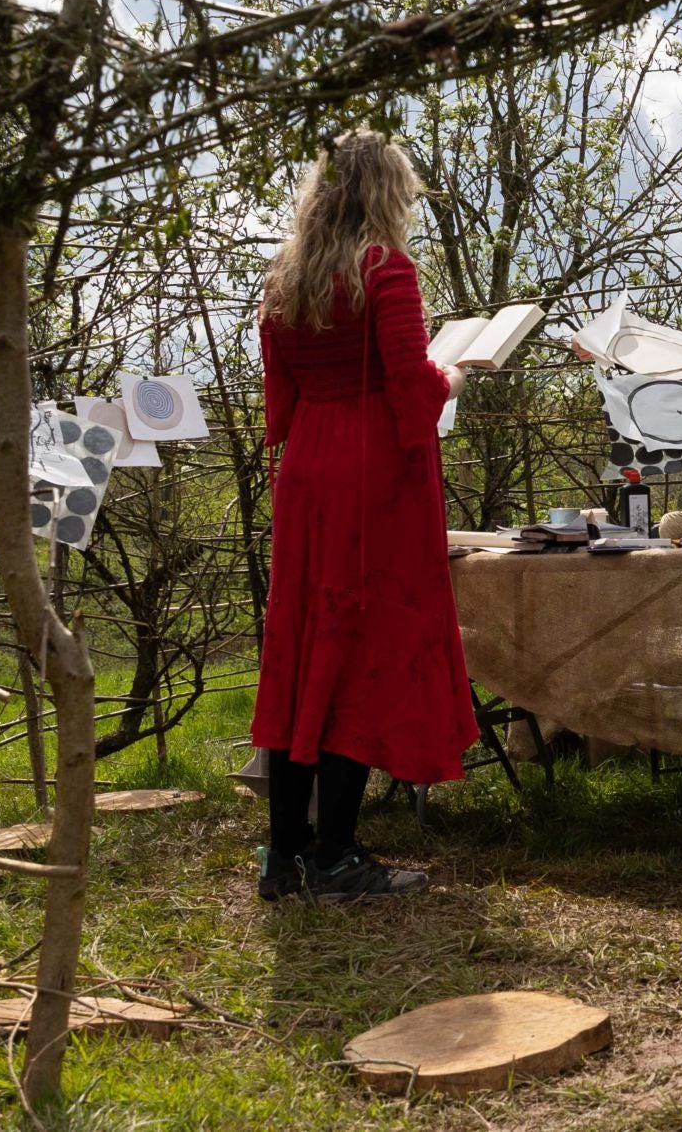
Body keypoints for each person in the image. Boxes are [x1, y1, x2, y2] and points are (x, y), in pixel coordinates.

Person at [250, 131, 475, 901]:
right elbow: (413, 383)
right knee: (357, 647)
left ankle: (285, 857)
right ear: (387, 191)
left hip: (308, 466)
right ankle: (337, 855)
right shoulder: (386, 268)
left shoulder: (287, 276)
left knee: (303, 645)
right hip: (372, 472)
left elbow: (279, 393)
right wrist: (453, 374)